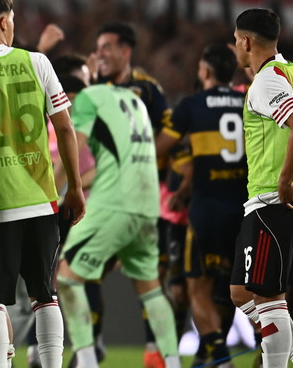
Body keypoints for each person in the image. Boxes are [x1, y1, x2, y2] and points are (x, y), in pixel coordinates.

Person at [0, 0, 85, 368]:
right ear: (4, 21)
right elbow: (65, 128)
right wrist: (75, 188)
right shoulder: (37, 62)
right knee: (44, 295)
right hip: (39, 198)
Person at [54, 69, 182, 368]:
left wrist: (51, 193)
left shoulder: (88, 100)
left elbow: (71, 146)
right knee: (150, 289)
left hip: (114, 203)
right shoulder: (132, 102)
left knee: (67, 279)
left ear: (70, 97)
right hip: (147, 205)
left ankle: (87, 362)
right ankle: (173, 362)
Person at [90, 21, 177, 368]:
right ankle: (93, 345)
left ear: (125, 51)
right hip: (103, 198)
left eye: (106, 47)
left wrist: (142, 158)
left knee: (149, 278)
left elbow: (173, 130)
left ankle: (157, 351)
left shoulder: (147, 89)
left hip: (142, 200)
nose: (99, 54)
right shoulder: (91, 86)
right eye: (98, 47)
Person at [156, 44, 248, 365]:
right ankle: (214, 355)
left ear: (205, 71)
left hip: (206, 209)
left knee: (198, 288)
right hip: (243, 210)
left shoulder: (192, 104)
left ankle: (221, 357)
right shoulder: (247, 103)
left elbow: (160, 147)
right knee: (230, 289)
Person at [228, 8, 293, 367]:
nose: (236, 47)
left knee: (268, 297)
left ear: (246, 41)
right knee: (241, 292)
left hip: (272, 200)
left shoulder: (266, 81)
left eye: (236, 40)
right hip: (270, 201)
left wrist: (286, 179)